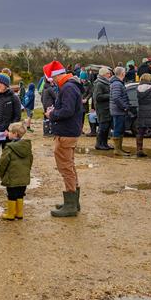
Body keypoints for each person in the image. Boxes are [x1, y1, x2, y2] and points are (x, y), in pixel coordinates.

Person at [46, 63, 85, 217]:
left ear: (57, 76)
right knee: (70, 166)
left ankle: (71, 205)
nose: (52, 82)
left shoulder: (68, 88)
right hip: (70, 131)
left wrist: (52, 114)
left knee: (66, 168)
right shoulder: (71, 85)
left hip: (66, 133)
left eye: (52, 79)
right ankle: (73, 201)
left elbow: (67, 110)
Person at [0, 122, 34, 221]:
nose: (8, 133)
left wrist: (1, 174)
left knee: (11, 195)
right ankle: (19, 213)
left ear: (14, 134)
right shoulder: (27, 147)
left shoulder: (9, 148)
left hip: (12, 177)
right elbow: (30, 160)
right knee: (20, 194)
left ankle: (10, 214)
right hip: (23, 177)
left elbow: (3, 163)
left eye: (9, 132)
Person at [110, 66, 131, 156]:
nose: (125, 73)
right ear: (122, 73)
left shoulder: (118, 83)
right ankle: (117, 150)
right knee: (118, 129)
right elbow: (116, 97)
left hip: (119, 110)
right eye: (124, 72)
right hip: (118, 110)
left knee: (120, 129)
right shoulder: (117, 84)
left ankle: (120, 148)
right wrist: (124, 107)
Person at [92, 67, 113, 150]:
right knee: (103, 127)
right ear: (103, 74)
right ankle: (99, 144)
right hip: (102, 109)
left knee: (107, 127)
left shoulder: (105, 83)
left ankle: (104, 143)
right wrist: (110, 95)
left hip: (107, 108)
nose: (109, 75)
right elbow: (98, 97)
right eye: (108, 73)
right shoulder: (99, 84)